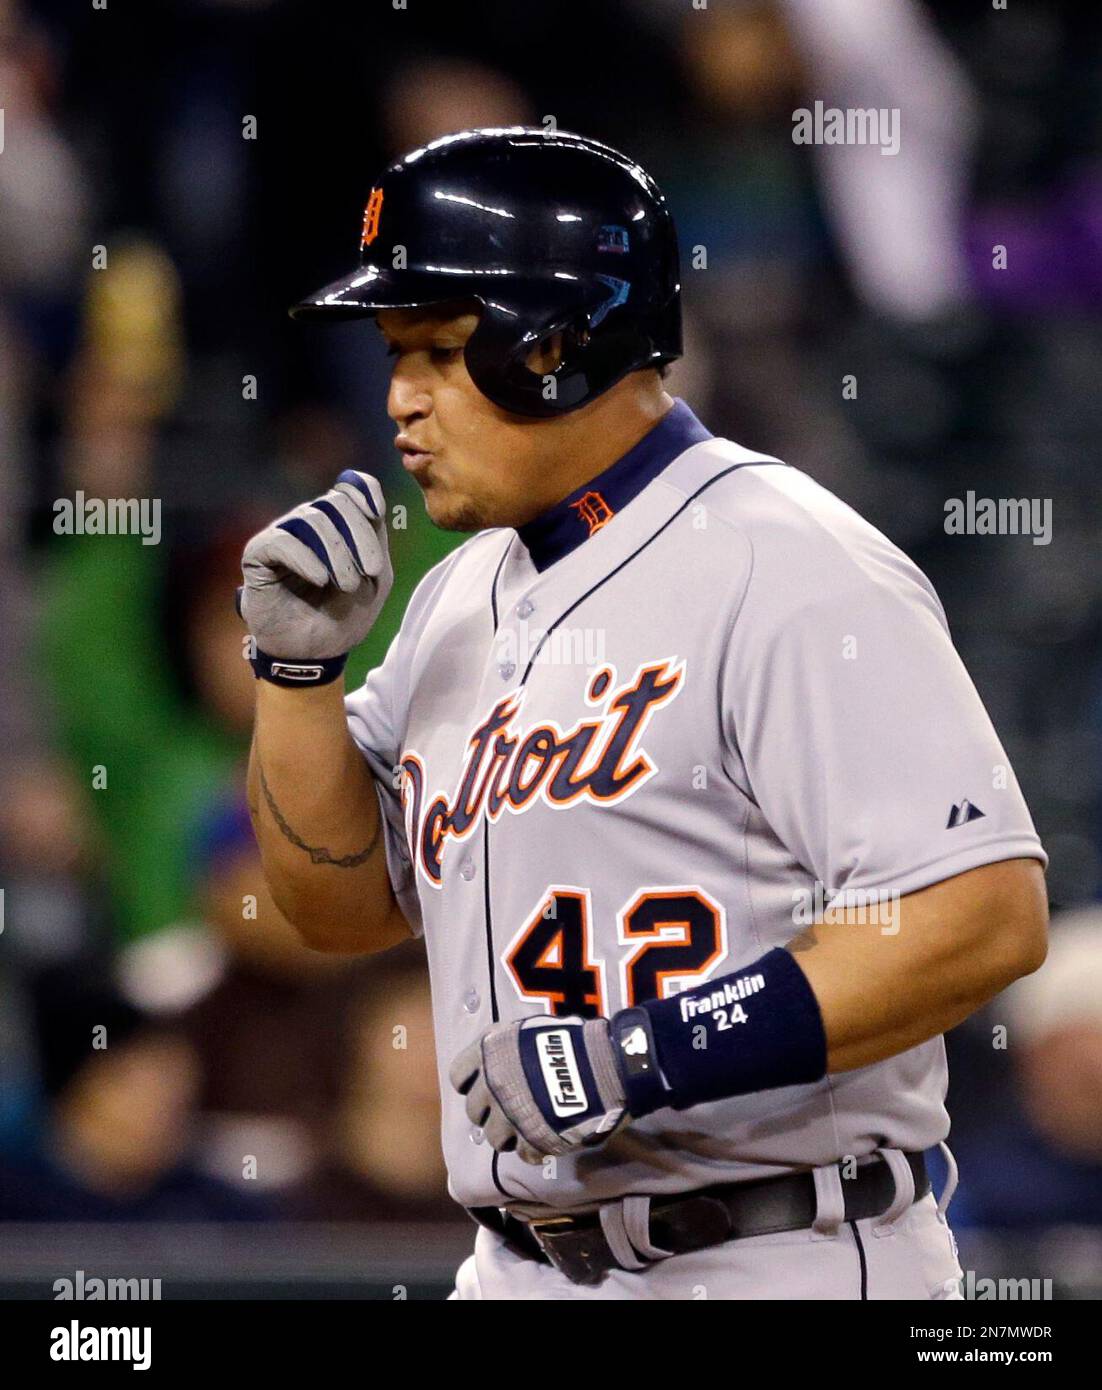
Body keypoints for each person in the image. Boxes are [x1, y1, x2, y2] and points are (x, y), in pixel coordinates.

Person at [239, 128, 1048, 1299]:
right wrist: (296, 680)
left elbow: (979, 914)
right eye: (392, 353)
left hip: (778, 1252)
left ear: (555, 344)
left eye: (437, 351)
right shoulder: (457, 595)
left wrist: (645, 1051)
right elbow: (339, 908)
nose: (399, 399)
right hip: (518, 1263)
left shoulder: (788, 560)